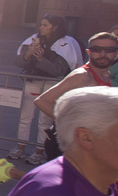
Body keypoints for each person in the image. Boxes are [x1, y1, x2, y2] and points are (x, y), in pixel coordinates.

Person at [12, 14, 82, 163]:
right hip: (33, 80)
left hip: (52, 83)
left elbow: (59, 70)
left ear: (55, 27)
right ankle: (20, 147)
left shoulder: (66, 43)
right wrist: (28, 54)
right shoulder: (33, 39)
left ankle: (39, 151)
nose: (41, 28)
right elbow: (18, 61)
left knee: (44, 120)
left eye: (45, 25)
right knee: (25, 116)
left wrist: (40, 59)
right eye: (41, 25)